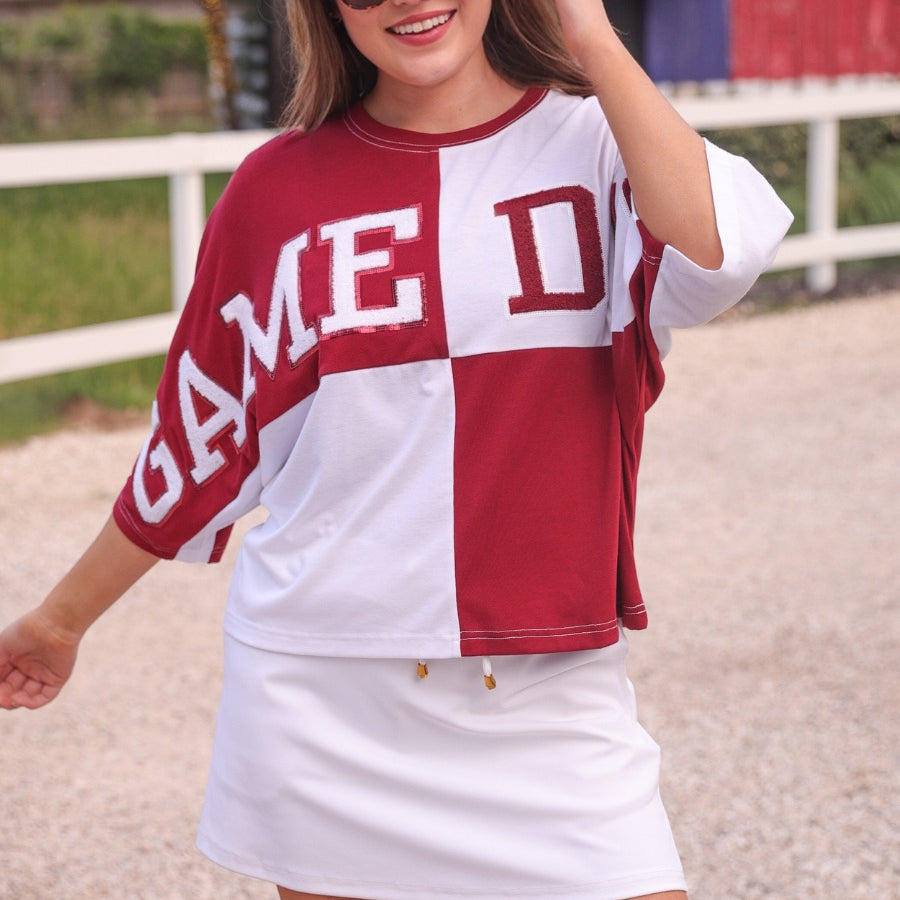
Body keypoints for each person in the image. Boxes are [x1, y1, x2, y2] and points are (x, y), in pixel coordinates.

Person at [0, 1, 793, 899]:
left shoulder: (602, 145)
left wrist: (590, 35)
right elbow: (195, 449)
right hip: (326, 691)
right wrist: (59, 622)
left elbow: (718, 258)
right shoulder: (275, 188)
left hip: (549, 688)